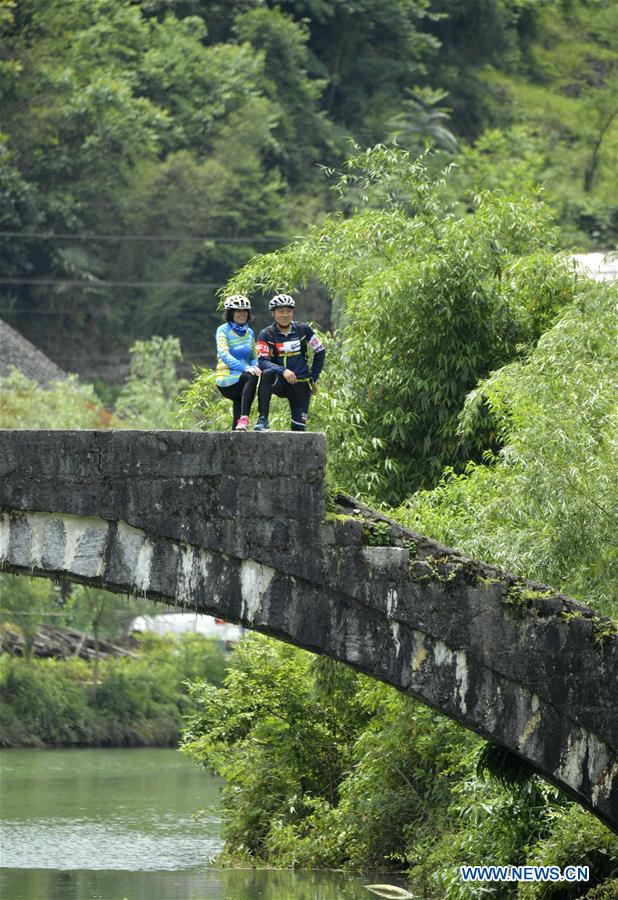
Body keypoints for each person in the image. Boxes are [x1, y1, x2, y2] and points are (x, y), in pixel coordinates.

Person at [254, 293, 325, 431]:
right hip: (280, 382)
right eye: (281, 311)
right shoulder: (266, 334)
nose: (285, 315)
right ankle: (263, 419)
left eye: (289, 311)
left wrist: (313, 378)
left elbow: (320, 351)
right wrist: (283, 371)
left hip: (301, 384)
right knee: (267, 373)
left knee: (298, 429)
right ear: (273, 313)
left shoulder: (303, 329)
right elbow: (262, 361)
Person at [215, 295, 261, 431]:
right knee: (251, 375)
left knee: (237, 428)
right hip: (226, 379)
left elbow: (254, 355)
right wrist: (246, 367)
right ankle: (245, 417)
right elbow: (224, 354)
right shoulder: (223, 330)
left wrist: (255, 366)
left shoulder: (249, 332)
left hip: (243, 380)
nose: (242, 314)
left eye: (245, 311)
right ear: (230, 313)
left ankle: (237, 429)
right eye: (238, 311)